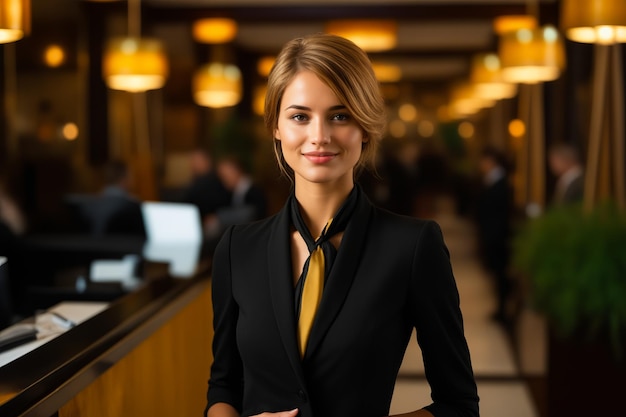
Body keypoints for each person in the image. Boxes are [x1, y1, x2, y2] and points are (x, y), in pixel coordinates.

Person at [205, 34, 479, 417]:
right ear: (276, 127)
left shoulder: (413, 246)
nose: (319, 136)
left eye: (340, 115)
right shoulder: (237, 249)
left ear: (365, 127)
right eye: (300, 116)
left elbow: (459, 405)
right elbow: (223, 386)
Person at [475, 147, 513, 325]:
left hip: (498, 236)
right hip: (491, 233)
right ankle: (500, 308)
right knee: (497, 274)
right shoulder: (491, 180)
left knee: (501, 274)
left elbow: (500, 213)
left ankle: (503, 310)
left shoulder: (502, 183)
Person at [204, 155, 267, 240]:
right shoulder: (231, 192)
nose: (223, 180)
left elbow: (251, 214)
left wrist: (219, 218)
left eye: (225, 176)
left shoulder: (255, 191)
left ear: (235, 171)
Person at [182, 148, 232, 221]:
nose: (193, 164)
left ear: (207, 161)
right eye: (192, 161)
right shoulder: (197, 181)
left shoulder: (213, 181)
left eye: (197, 161)